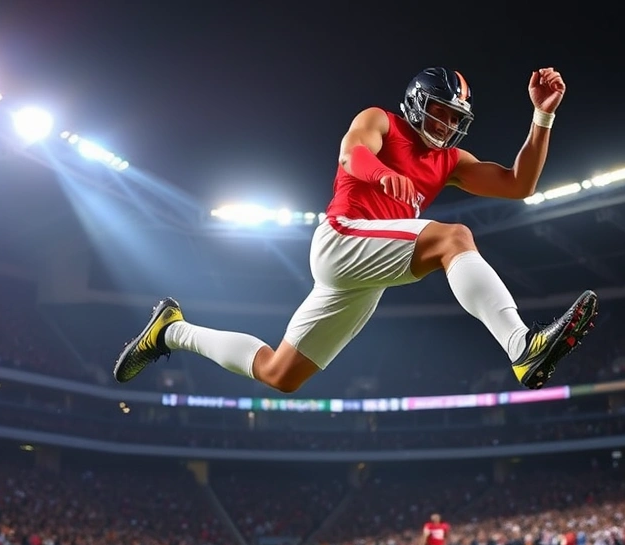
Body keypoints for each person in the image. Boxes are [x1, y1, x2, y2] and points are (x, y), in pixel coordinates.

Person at [113, 66, 598, 392]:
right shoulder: (380, 119)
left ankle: (171, 332)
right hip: (343, 236)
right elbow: (353, 154)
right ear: (416, 103)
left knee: (280, 373)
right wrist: (382, 173)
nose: (448, 124)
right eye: (441, 112)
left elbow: (520, 185)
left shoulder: (450, 160)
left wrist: (543, 115)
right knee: (455, 238)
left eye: (456, 118)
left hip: (367, 270)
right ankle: (520, 345)